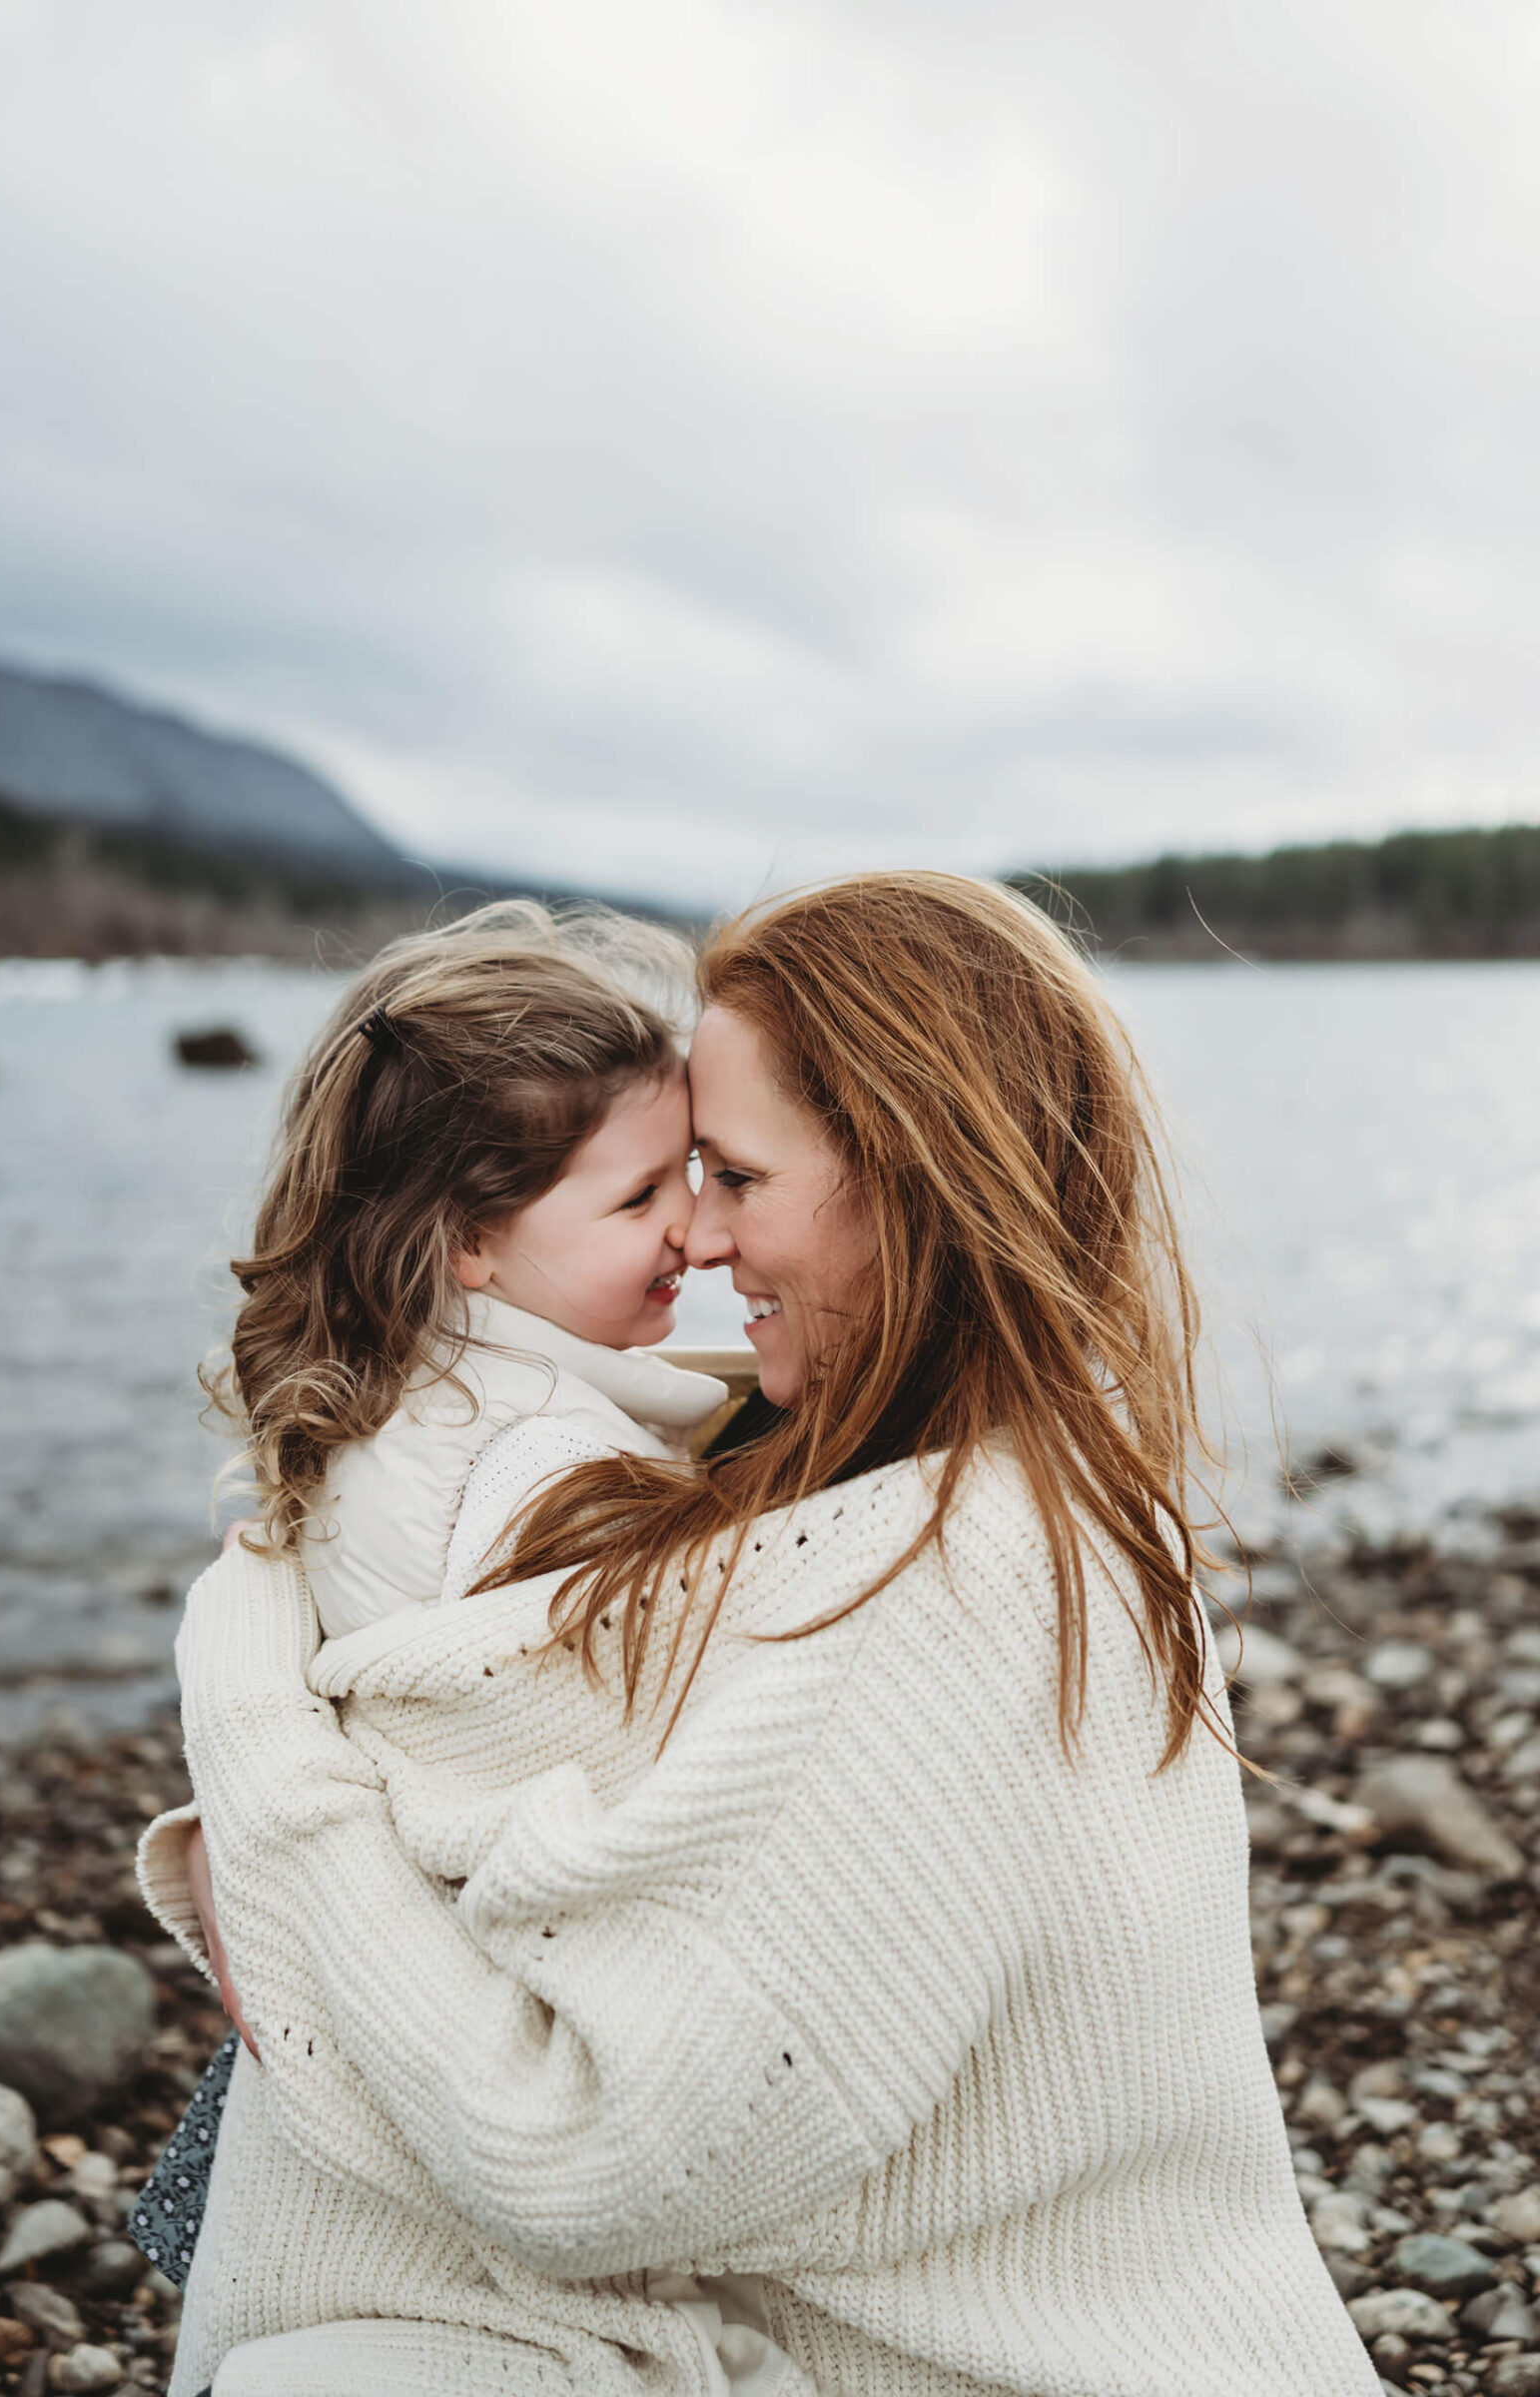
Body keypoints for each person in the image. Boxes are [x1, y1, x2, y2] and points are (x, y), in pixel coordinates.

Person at [140, 871, 1379, 2396]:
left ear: (910, 1175)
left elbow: (583, 2161)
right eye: (672, 1184)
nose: (702, 1242)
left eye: (730, 1175)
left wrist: (258, 1740)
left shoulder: (963, 1592)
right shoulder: (931, 1467)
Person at [129, 897, 733, 2295]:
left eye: (691, 1174)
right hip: (462, 1988)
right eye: (639, 1197)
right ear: (470, 1238)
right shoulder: (547, 1461)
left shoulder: (402, 1390)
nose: (692, 1229)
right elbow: (589, 1752)